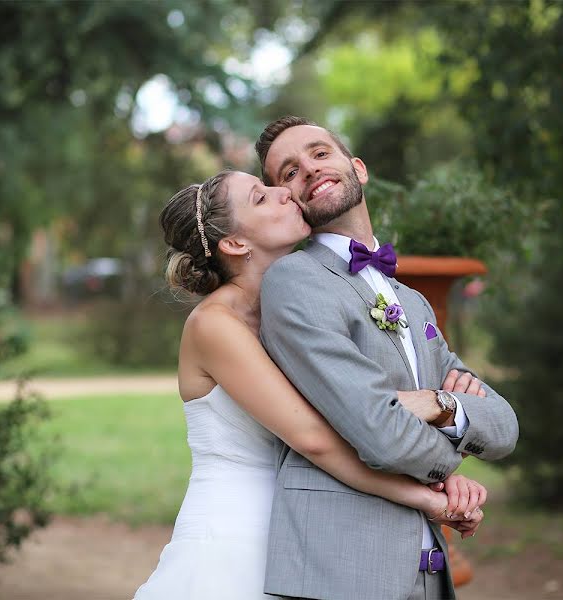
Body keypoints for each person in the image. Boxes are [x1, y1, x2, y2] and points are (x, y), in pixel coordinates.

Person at [133, 170, 488, 600]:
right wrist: (427, 495)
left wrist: (435, 452)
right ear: (235, 243)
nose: (285, 193)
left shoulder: (300, 312)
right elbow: (317, 438)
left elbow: (359, 416)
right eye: (261, 198)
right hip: (238, 539)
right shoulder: (214, 325)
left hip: (313, 531)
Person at [255, 116, 520, 600]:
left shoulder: (414, 301)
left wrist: (439, 404)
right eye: (288, 172)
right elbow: (381, 435)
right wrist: (450, 465)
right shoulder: (294, 282)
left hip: (426, 569)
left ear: (358, 168)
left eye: (319, 154)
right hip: (344, 569)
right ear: (287, 201)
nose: (309, 171)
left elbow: (504, 427)